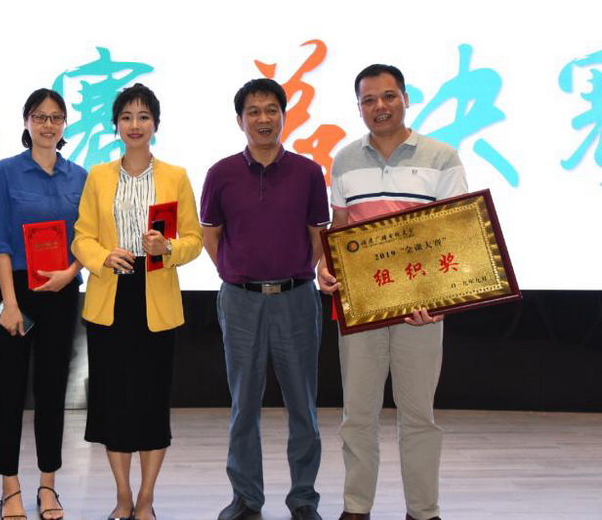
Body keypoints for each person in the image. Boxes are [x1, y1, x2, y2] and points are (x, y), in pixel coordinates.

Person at [317, 64, 468, 520]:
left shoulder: (442, 157)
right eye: (368, 100)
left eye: (388, 96)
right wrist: (325, 266)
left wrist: (439, 298)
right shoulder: (345, 160)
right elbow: (340, 231)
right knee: (356, 415)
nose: (379, 106)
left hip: (421, 308)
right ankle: (356, 508)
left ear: (405, 99)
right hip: (362, 306)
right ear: (359, 107)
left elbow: (456, 233)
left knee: (418, 416)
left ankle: (423, 511)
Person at [72, 83, 203, 520]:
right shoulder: (98, 176)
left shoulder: (175, 176)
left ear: (155, 125)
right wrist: (102, 257)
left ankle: (146, 499)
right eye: (126, 117)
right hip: (111, 297)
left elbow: (194, 239)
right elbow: (81, 237)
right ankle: (122, 497)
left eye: (143, 116)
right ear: (115, 125)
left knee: (151, 404)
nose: (135, 124)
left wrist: (168, 248)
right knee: (113, 404)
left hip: (156, 298)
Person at [200, 78, 328, 520]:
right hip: (241, 300)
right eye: (253, 111)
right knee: (244, 405)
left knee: (303, 405)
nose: (263, 119)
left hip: (296, 298)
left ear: (284, 116)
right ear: (240, 120)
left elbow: (317, 237)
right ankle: (246, 498)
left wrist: (293, 271)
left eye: (271, 109)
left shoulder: (308, 173)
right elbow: (212, 236)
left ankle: (304, 498)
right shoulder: (220, 174)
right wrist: (237, 273)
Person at [0, 88, 88, 520]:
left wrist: (71, 271)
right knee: (9, 390)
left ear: (65, 125)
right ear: (26, 122)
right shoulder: (5, 171)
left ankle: (48, 484)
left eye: (56, 117)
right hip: (16, 293)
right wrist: (9, 302)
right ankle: (9, 487)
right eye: (40, 116)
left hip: (62, 292)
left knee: (51, 391)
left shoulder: (79, 176)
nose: (48, 125)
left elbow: (89, 237)